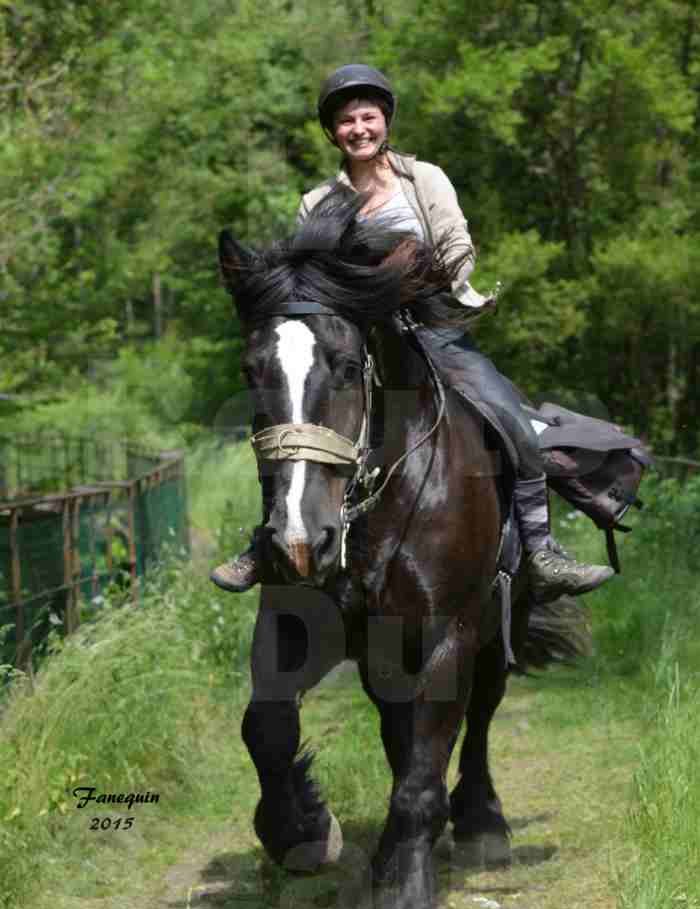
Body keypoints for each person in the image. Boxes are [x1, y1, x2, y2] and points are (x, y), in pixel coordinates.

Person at [211, 64, 614, 603]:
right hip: (355, 341)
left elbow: (458, 246)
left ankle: (541, 552)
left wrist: (423, 282)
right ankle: (268, 542)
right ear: (333, 132)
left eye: (368, 117)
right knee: (291, 426)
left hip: (433, 332)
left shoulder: (425, 180)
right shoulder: (316, 201)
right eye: (347, 120)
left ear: (385, 122)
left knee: (511, 416)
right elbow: (313, 277)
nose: (359, 128)